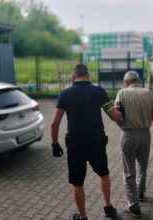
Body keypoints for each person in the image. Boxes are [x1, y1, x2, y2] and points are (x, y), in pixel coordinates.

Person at [50, 64, 122, 220]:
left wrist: (54, 143)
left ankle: (83, 217)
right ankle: (108, 208)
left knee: (77, 182)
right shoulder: (99, 92)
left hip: (75, 144)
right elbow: (114, 116)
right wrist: (121, 112)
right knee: (103, 174)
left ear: (73, 76)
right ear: (88, 76)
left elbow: (54, 124)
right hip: (96, 141)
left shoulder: (65, 94)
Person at [115, 71, 153, 218]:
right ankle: (140, 193)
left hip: (129, 134)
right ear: (138, 80)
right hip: (146, 134)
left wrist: (122, 125)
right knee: (142, 166)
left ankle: (134, 207)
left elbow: (117, 114)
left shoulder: (122, 93)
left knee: (129, 171)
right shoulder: (148, 93)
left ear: (126, 82)